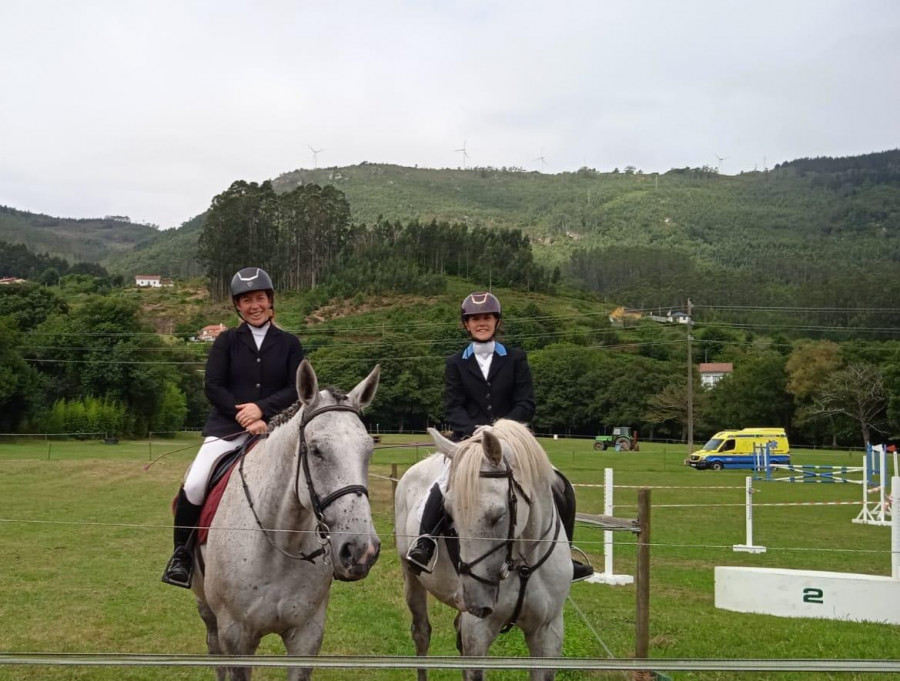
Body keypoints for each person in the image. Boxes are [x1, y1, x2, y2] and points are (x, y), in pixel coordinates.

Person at [406, 292, 593, 581]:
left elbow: (526, 403)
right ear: (466, 325)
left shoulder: (516, 358)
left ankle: (565, 552)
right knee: (443, 484)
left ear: (497, 322)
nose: (482, 323)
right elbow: (453, 406)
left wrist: (500, 429)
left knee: (559, 484)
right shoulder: (455, 362)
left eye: (487, 318)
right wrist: (475, 432)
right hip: (468, 441)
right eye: (475, 319)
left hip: (513, 440)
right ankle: (426, 541)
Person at [162, 267, 304, 588]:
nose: (254, 305)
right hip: (226, 429)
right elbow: (213, 385)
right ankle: (181, 557)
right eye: (246, 300)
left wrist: (262, 412)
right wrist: (242, 415)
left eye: (259, 298)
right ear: (237, 307)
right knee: (195, 482)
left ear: (270, 301)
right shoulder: (226, 341)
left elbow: (296, 388)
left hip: (275, 430)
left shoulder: (290, 344)